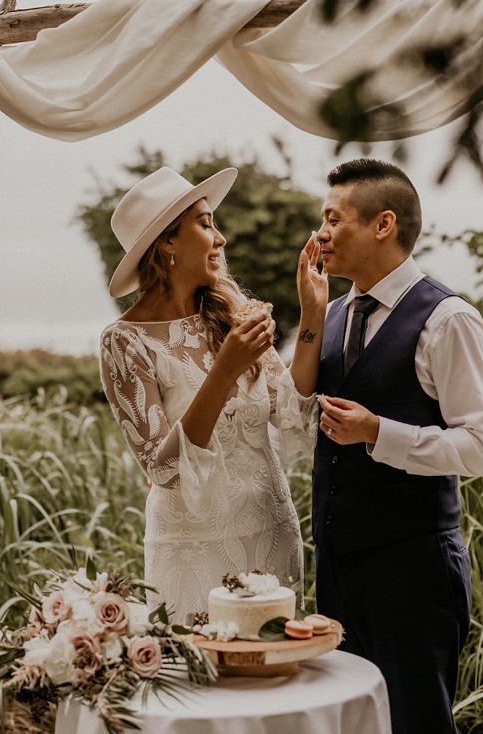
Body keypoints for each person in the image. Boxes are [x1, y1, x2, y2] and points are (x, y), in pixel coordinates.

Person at [311, 159, 483, 734]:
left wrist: (379, 434)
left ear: (382, 224)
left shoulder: (447, 320)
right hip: (337, 564)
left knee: (415, 722)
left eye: (333, 218)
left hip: (413, 567)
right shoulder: (332, 314)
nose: (320, 233)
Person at [98, 166, 329, 622]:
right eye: (205, 224)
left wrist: (312, 316)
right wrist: (224, 371)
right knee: (204, 681)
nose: (220, 237)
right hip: (191, 547)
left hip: (270, 530)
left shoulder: (234, 314)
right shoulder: (124, 342)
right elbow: (162, 468)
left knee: (274, 672)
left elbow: (293, 413)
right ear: (166, 242)